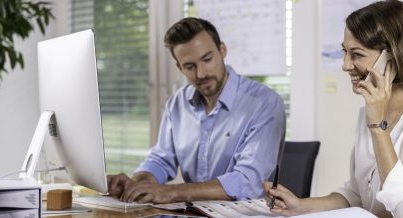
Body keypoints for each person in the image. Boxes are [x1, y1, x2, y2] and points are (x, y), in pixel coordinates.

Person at [264, 1, 403, 217]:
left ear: (392, 58)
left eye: (357, 54)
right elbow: (357, 195)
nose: (345, 65)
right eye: (345, 52)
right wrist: (301, 205)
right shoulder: (370, 113)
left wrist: (378, 129)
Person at [107, 17, 286, 204]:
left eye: (207, 59)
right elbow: (160, 159)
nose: (201, 74)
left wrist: (171, 192)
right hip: (191, 213)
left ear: (222, 50)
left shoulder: (264, 103)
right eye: (189, 66)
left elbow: (248, 181)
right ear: (179, 67)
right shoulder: (177, 104)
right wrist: (139, 184)